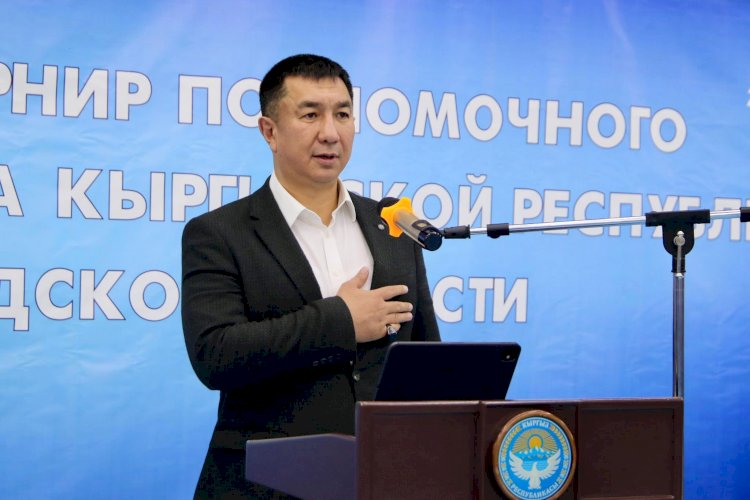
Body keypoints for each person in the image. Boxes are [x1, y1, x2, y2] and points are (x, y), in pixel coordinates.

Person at [181, 54, 440, 498]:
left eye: (342, 114)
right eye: (310, 115)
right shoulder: (219, 233)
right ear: (269, 131)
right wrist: (340, 320)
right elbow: (216, 354)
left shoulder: (392, 226)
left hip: (381, 479)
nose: (330, 132)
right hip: (265, 484)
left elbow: (425, 357)